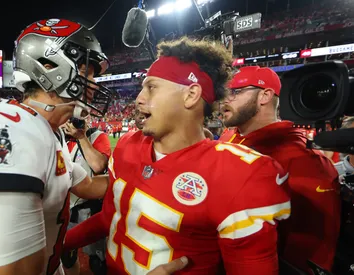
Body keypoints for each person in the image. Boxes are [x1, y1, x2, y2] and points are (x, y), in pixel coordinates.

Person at [64, 37, 291, 275]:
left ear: (191, 95)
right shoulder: (127, 145)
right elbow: (110, 217)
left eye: (151, 87)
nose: (139, 98)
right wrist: (59, 244)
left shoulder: (240, 175)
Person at [0, 19, 116, 275]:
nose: (94, 82)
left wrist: (146, 174)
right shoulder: (8, 122)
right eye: (88, 70)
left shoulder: (49, 131)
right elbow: (13, 270)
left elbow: (90, 186)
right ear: (49, 66)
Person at [219, 65, 341, 273]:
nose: (224, 100)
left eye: (235, 92)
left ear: (264, 96)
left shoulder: (304, 161)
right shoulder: (229, 140)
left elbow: (310, 251)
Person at [61, 118, 111, 274]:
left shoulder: (97, 136)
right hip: (66, 208)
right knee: (66, 257)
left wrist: (81, 137)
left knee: (97, 260)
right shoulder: (60, 139)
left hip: (89, 208)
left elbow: (98, 165)